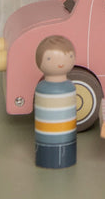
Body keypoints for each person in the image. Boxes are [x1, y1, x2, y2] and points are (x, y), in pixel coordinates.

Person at [34, 35, 77, 168]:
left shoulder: (70, 88)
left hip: (68, 140)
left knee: (67, 140)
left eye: (69, 56)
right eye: (49, 59)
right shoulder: (42, 88)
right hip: (44, 142)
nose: (60, 63)